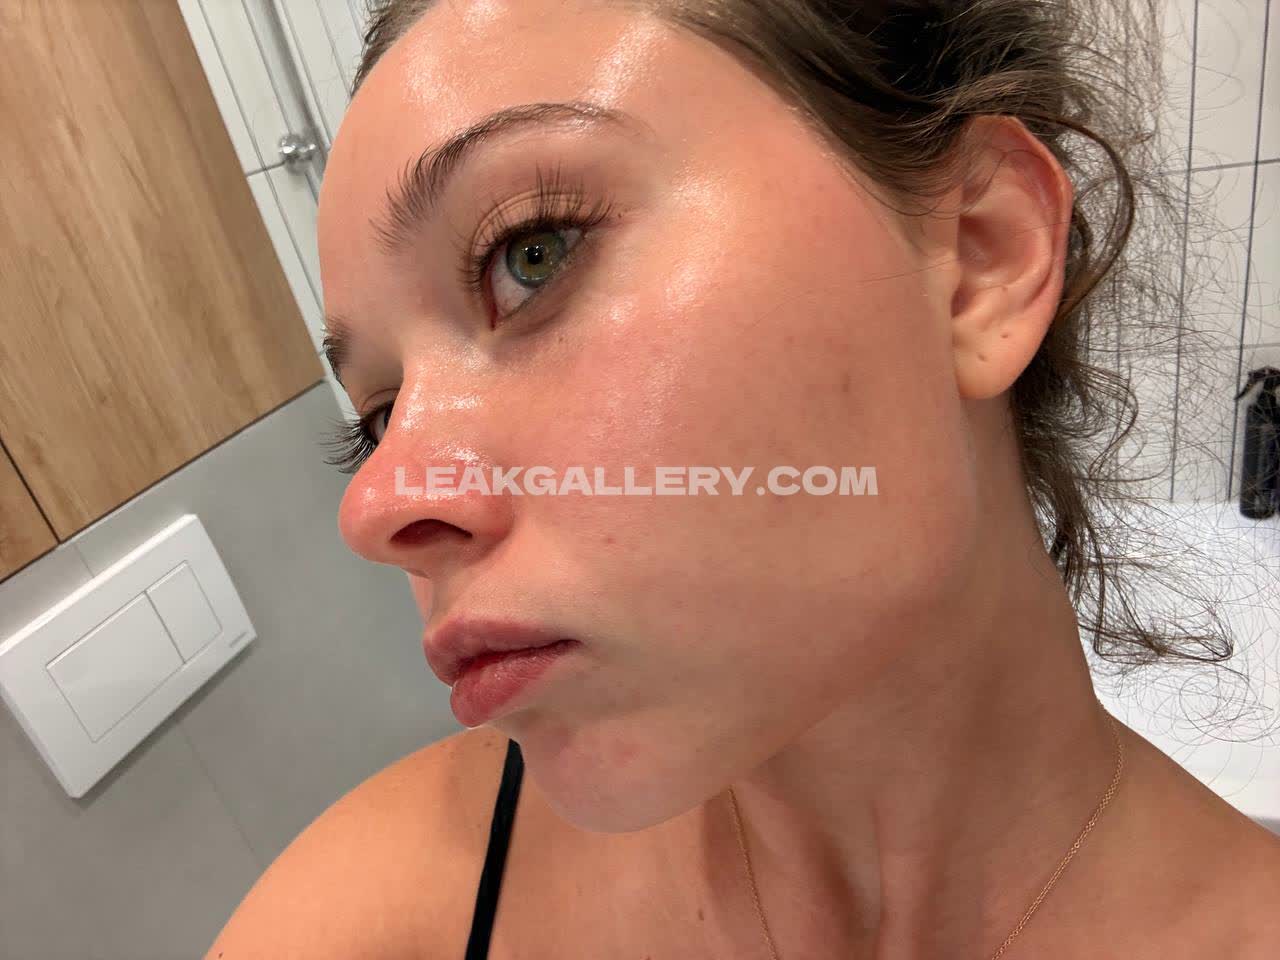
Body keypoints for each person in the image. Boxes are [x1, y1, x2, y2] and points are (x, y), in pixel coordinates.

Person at [206, 1, 1280, 957]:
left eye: (531, 253)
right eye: (380, 416)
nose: (379, 502)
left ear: (980, 257)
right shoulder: (367, 918)